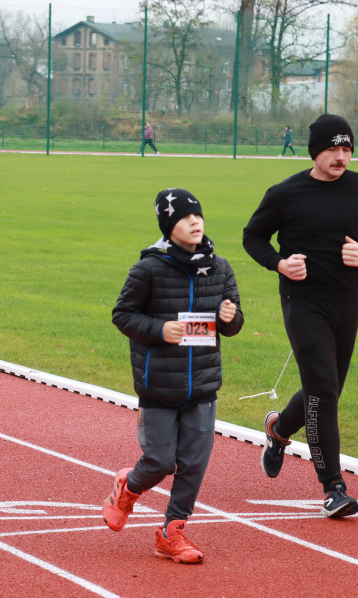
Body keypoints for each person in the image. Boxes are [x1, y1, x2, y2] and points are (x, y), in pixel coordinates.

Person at [242, 114, 358, 518]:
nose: (342, 157)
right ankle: (333, 487)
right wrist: (279, 263)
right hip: (302, 300)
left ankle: (279, 428)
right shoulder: (286, 193)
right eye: (334, 149)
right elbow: (252, 236)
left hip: (346, 301)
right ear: (316, 151)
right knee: (324, 388)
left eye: (347, 149)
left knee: (326, 390)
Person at [103, 188, 244, 563]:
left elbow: (232, 324)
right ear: (169, 226)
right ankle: (127, 489)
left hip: (203, 384)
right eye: (185, 218)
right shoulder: (149, 268)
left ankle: (172, 531)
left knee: (194, 464)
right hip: (159, 385)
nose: (195, 222)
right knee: (161, 461)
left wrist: (230, 319)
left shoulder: (221, 267)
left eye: (198, 215)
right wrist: (160, 329)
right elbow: (123, 315)